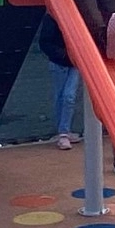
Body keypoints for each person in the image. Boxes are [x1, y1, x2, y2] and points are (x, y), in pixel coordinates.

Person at [37, 15, 82, 150]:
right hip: (60, 63)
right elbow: (44, 43)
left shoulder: (75, 16)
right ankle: (63, 133)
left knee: (68, 96)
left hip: (73, 62)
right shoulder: (52, 18)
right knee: (62, 96)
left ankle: (64, 132)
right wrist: (63, 54)